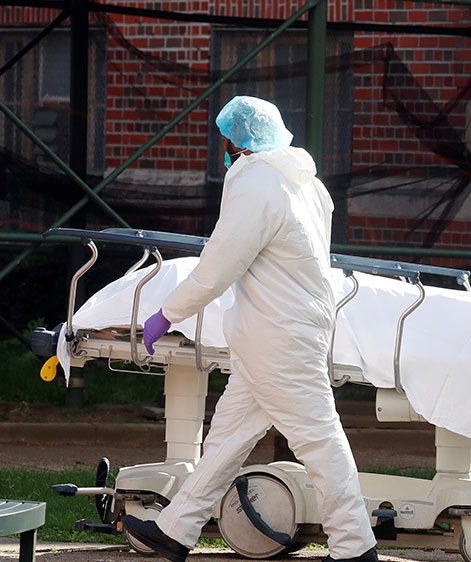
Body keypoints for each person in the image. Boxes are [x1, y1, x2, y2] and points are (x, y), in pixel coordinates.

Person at [122, 95, 378, 562]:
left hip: (277, 337)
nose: (224, 151)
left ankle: (355, 547)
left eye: (225, 141)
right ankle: (175, 530)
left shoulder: (257, 182)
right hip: (288, 331)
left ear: (237, 142)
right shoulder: (306, 184)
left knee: (320, 440)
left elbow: (219, 264)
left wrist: (168, 313)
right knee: (227, 438)